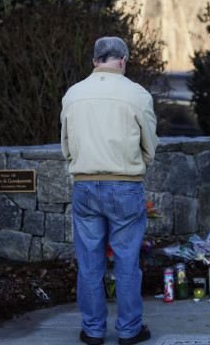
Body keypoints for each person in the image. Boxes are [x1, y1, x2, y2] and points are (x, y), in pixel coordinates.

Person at [61, 36, 158, 345]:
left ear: (95, 61)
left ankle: (92, 330)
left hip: (85, 185)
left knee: (89, 263)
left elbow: (66, 147)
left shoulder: (72, 95)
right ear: (123, 60)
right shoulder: (137, 95)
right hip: (125, 185)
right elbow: (150, 147)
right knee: (127, 262)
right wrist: (132, 166)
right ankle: (129, 331)